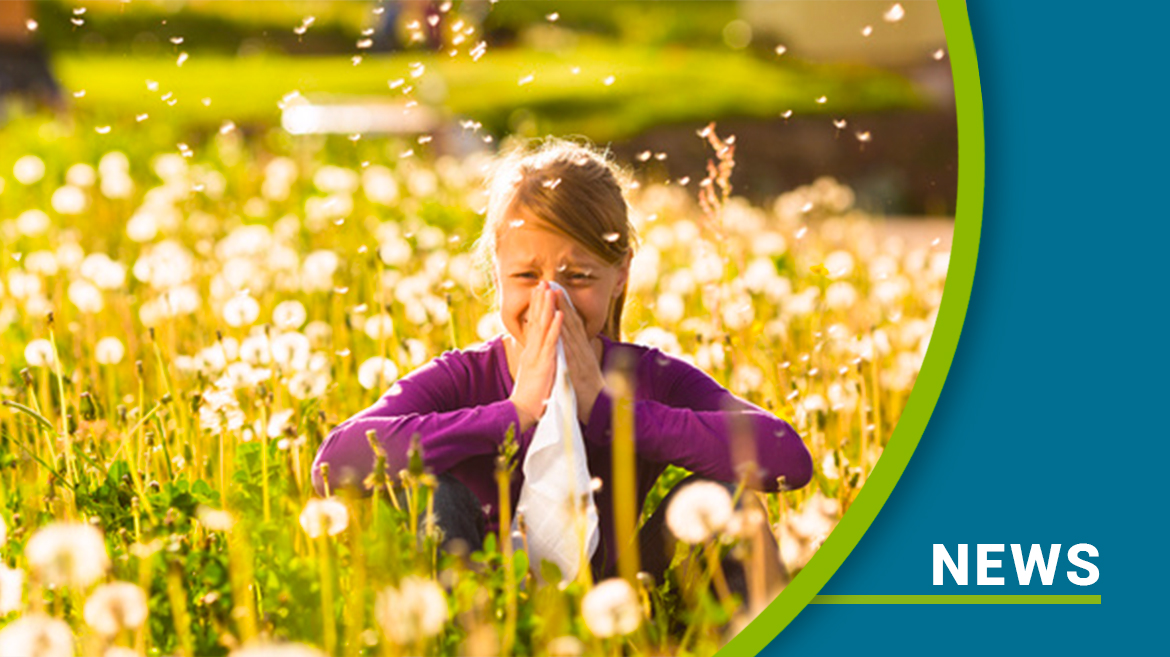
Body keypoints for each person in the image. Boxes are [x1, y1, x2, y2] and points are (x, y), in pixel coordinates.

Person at [311, 138, 812, 588]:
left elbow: (788, 458)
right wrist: (514, 414)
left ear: (620, 276)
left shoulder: (646, 377)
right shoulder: (464, 376)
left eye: (577, 277)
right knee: (432, 495)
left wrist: (613, 412)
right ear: (497, 275)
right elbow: (335, 463)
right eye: (527, 275)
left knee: (729, 499)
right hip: (481, 594)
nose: (551, 299)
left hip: (621, 594)